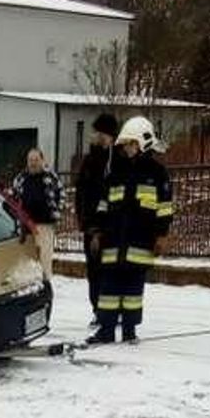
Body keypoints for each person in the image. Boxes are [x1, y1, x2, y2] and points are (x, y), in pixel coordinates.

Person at [85, 116, 173, 346]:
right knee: (108, 289)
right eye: (125, 145)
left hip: (140, 242)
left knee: (133, 289)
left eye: (131, 144)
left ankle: (129, 331)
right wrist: (96, 232)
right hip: (113, 242)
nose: (127, 149)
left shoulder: (157, 174)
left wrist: (162, 235)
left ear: (143, 143)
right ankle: (105, 330)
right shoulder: (116, 173)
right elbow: (104, 205)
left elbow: (164, 208)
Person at [75, 113, 119, 323]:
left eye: (103, 133)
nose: (98, 137)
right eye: (97, 132)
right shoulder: (89, 160)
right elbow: (80, 191)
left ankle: (111, 312)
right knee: (93, 272)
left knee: (110, 270)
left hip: (110, 227)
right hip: (90, 225)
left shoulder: (116, 161)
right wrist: (83, 221)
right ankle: (97, 310)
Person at [10, 148, 63, 279]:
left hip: (45, 225)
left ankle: (45, 285)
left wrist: (57, 213)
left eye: (36, 160)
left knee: (45, 261)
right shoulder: (20, 179)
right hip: (26, 227)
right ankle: (30, 287)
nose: (33, 163)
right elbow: (13, 200)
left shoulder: (51, 177)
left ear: (42, 160)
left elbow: (61, 195)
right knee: (28, 261)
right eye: (30, 160)